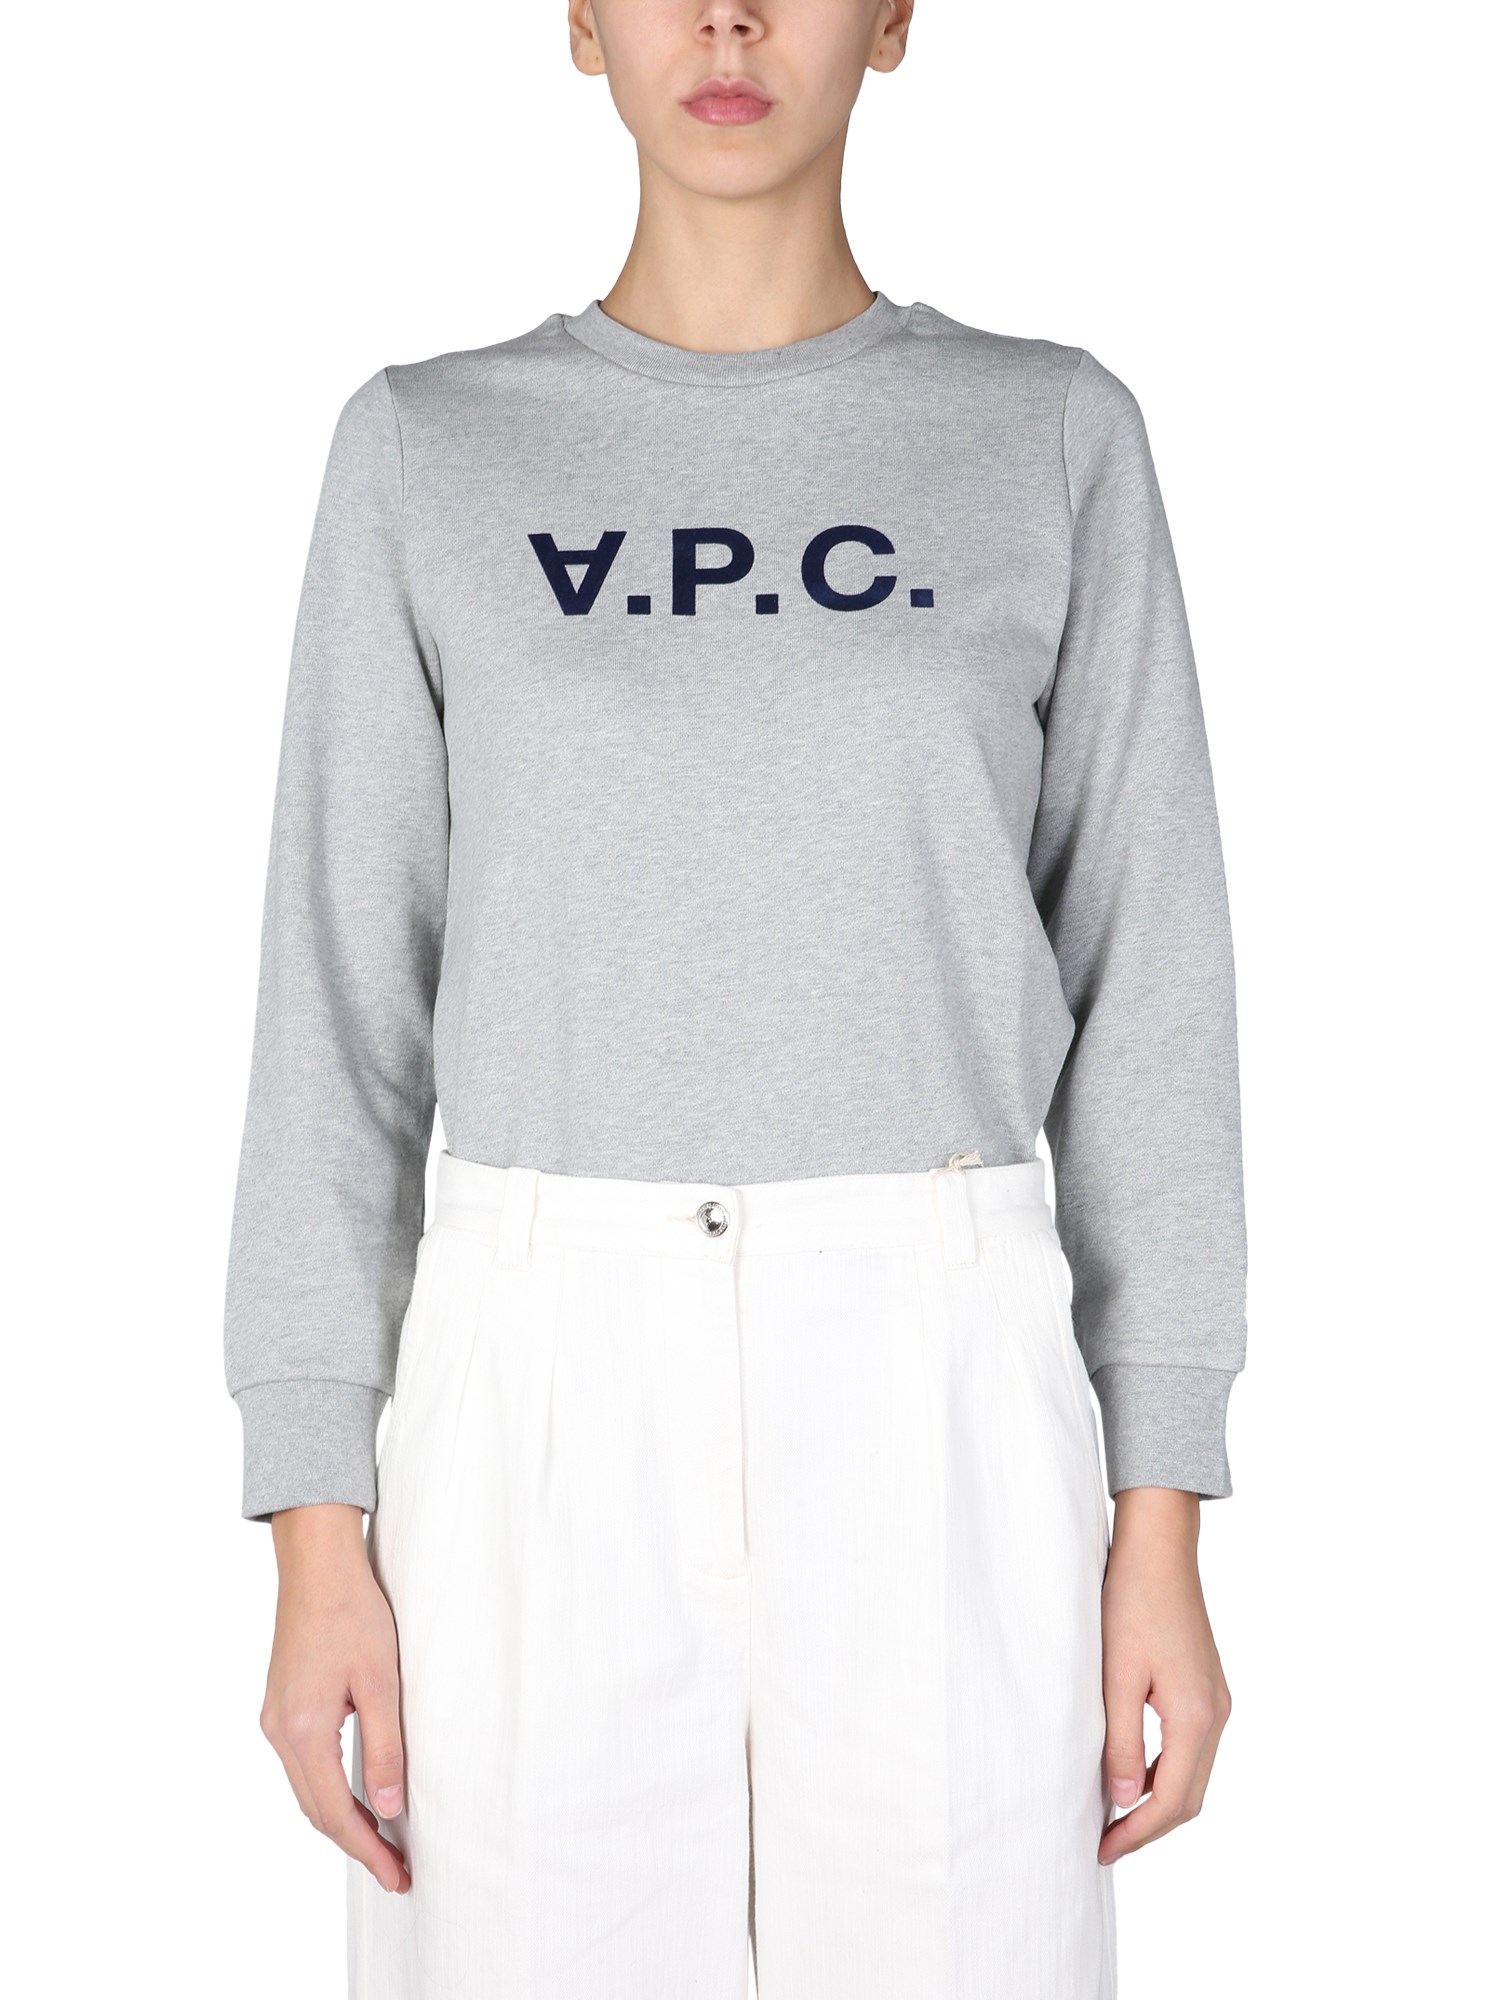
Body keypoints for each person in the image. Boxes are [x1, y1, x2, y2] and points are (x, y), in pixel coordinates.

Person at [223, 4, 1246, 1995]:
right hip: (541, 1384)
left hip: (939, 1373)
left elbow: (1152, 993)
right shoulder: (428, 448)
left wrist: (1164, 1518)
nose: (727, 19)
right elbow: (337, 1015)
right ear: (577, 23)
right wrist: (313, 1524)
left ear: (895, 18)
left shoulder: (1050, 437)